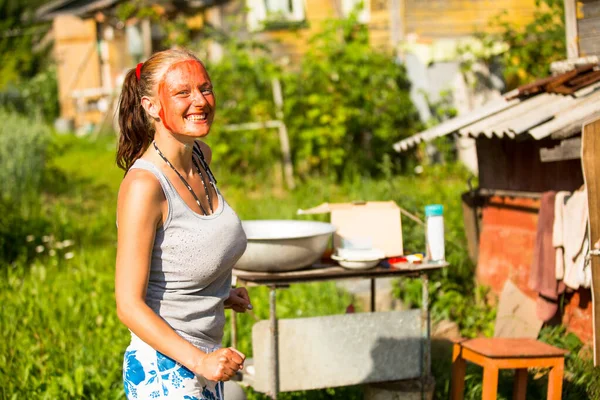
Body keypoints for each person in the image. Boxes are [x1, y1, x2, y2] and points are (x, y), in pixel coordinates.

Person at [114, 48, 252, 400]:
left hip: (204, 359)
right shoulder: (145, 186)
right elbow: (128, 304)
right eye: (182, 92)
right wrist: (200, 362)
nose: (200, 101)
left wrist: (218, 294)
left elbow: (181, 256)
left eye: (205, 88)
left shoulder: (201, 157)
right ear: (150, 106)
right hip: (165, 370)